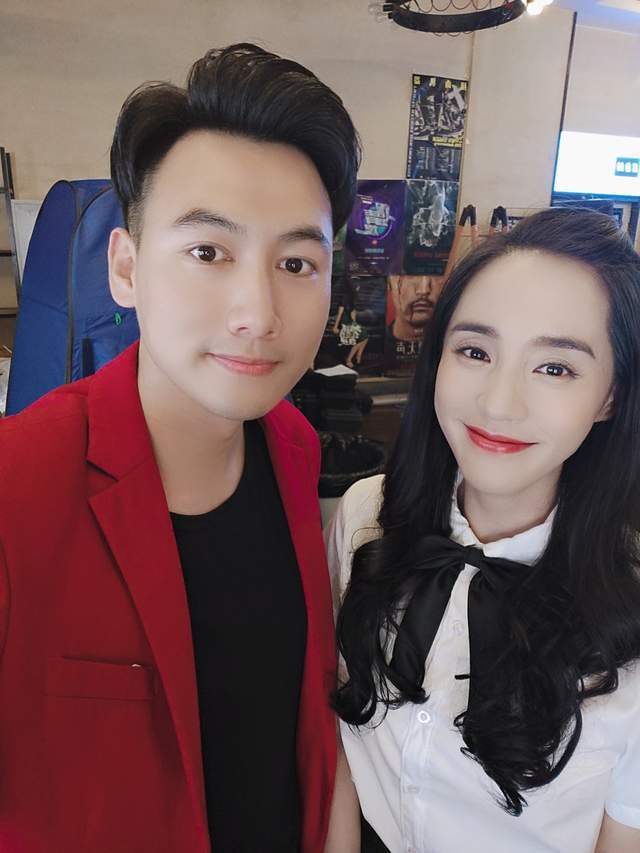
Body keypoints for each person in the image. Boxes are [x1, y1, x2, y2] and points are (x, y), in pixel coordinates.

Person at [0, 44, 360, 853]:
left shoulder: (293, 448)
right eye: (208, 252)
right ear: (125, 269)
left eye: (296, 262)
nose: (257, 312)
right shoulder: (17, 483)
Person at [327, 208, 640, 852]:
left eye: (555, 367)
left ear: (610, 396)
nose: (499, 403)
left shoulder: (630, 603)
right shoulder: (365, 516)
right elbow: (343, 730)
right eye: (475, 351)